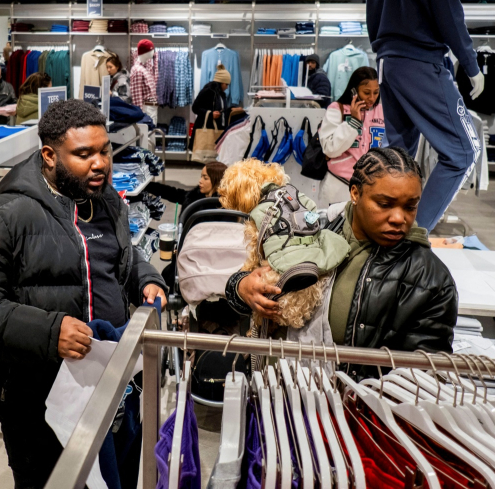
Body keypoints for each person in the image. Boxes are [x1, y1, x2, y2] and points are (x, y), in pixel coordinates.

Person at [0, 100, 167, 489]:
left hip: (109, 378)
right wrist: (51, 332)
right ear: (49, 155)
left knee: (113, 475)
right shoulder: (3, 216)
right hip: (37, 394)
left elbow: (121, 257)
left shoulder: (108, 202)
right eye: (83, 154)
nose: (99, 163)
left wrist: (146, 278)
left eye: (104, 151)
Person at [226, 147, 457, 370]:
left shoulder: (430, 279)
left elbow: (425, 376)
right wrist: (242, 288)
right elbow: (241, 284)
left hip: (349, 404)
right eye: (384, 204)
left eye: (410, 206)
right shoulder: (310, 227)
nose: (398, 218)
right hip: (274, 389)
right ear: (355, 193)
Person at [366, 0, 484, 231]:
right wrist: (469, 62)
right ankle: (410, 239)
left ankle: (381, 237)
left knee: (397, 160)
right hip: (419, 58)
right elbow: (445, 0)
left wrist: (384, 49)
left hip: (387, 61)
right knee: (463, 152)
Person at [319, 67, 385, 206]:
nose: (372, 98)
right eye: (367, 92)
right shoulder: (337, 109)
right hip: (339, 186)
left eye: (376, 92)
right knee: (334, 227)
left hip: (372, 187)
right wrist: (353, 122)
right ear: (354, 90)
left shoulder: (383, 112)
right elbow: (330, 149)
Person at [191, 65, 245, 150]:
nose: (227, 87)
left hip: (216, 129)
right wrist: (210, 114)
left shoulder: (220, 94)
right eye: (226, 84)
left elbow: (220, 110)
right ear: (221, 82)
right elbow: (195, 108)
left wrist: (232, 109)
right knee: (207, 157)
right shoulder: (208, 91)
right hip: (207, 128)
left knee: (213, 157)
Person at [147, 161, 227, 214]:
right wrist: (148, 186)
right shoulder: (195, 196)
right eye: (201, 177)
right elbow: (173, 193)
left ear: (217, 182)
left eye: (205, 178)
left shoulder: (223, 209)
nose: (200, 181)